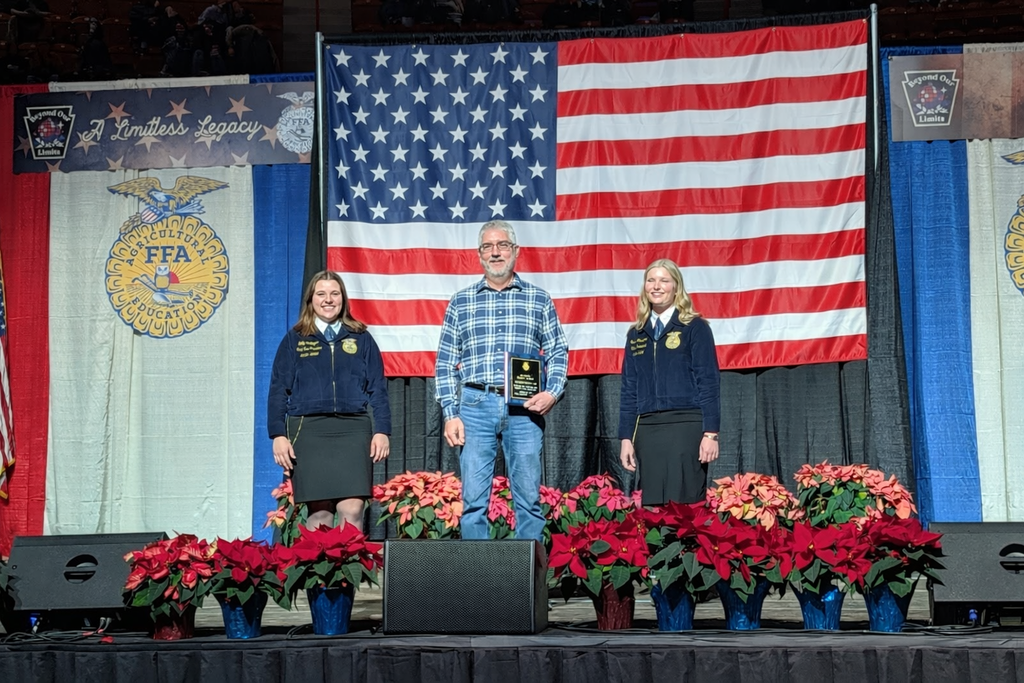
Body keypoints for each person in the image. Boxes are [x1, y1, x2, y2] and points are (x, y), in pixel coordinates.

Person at [435, 220, 568, 542]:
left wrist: (552, 392)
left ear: (516, 251)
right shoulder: (461, 301)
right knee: (473, 503)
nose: (495, 253)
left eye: (502, 245)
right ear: (479, 254)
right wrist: (451, 413)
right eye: (488, 247)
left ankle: (529, 587)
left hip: (524, 410)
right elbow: (444, 363)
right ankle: (478, 586)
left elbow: (558, 351)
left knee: (529, 502)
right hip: (474, 407)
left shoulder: (538, 299)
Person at [268, 271, 391, 531]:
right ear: (311, 299)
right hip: (309, 430)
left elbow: (378, 388)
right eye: (321, 294)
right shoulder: (295, 339)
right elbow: (278, 389)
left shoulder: (361, 337)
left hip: (353, 429)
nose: (328, 300)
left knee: (353, 508)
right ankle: (318, 571)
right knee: (320, 512)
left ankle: (352, 570)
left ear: (343, 299)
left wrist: (382, 430)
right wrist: (278, 434)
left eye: (334, 293)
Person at [618, 259, 721, 506]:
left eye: (664, 280)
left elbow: (709, 381)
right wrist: (625, 438)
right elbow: (628, 390)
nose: (656, 286)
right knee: (653, 507)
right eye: (651, 280)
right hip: (648, 430)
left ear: (676, 286)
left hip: (686, 426)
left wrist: (711, 433)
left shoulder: (695, 327)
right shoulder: (636, 333)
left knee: (685, 506)